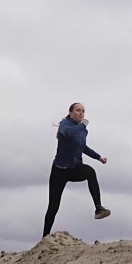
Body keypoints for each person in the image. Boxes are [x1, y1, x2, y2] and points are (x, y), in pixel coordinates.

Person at [42, 102, 111, 238]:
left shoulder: (82, 130)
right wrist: (81, 126)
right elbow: (67, 133)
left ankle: (98, 208)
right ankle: (45, 237)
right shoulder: (65, 125)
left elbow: (82, 147)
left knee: (90, 172)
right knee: (53, 206)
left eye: (83, 111)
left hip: (74, 168)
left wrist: (98, 157)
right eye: (78, 110)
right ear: (71, 112)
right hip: (59, 171)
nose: (81, 113)